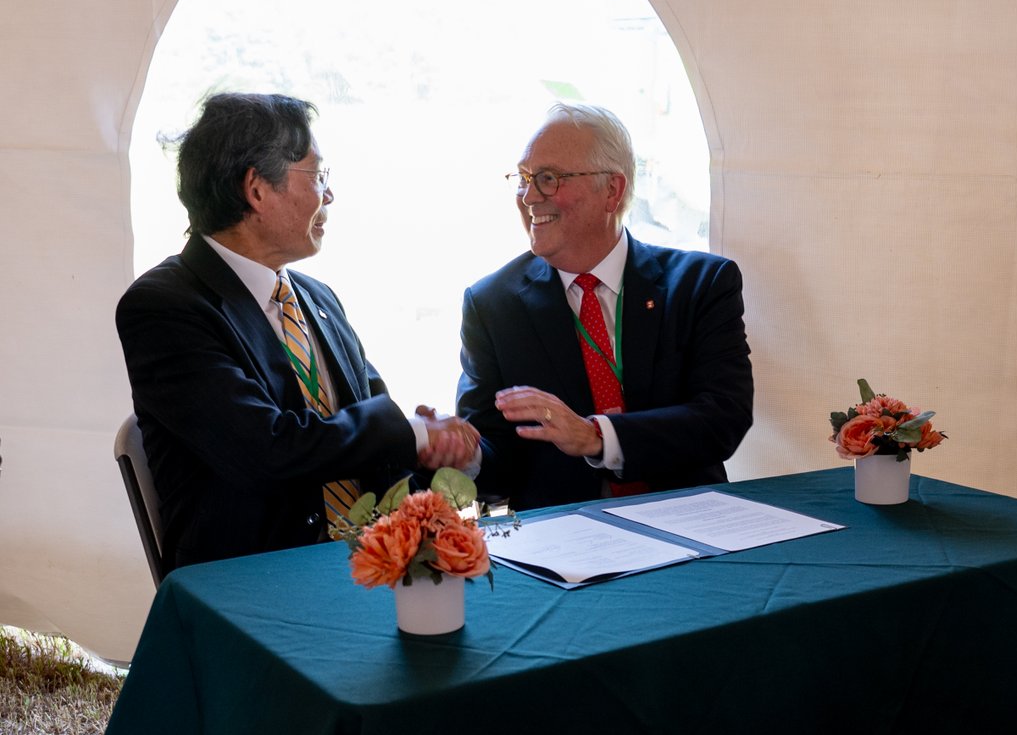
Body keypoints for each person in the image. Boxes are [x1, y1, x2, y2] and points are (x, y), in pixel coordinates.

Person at [116, 92, 477, 572]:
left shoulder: (317, 298)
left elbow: (367, 432)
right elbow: (265, 450)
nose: (329, 195)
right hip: (252, 584)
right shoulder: (164, 307)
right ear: (257, 190)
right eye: (318, 176)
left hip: (363, 571)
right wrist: (408, 434)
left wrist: (431, 448)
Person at [456, 103, 753, 510]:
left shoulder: (701, 285)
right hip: (561, 553)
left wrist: (597, 436)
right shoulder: (493, 304)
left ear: (611, 190)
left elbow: (723, 419)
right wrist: (462, 455)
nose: (528, 197)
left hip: (689, 529)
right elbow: (496, 466)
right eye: (523, 179)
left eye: (547, 178)